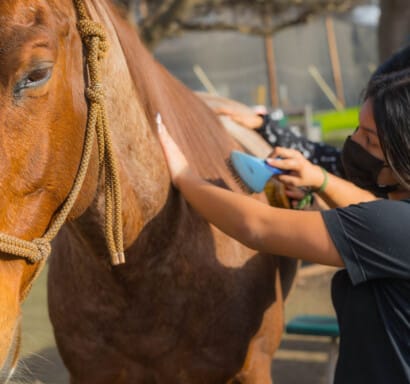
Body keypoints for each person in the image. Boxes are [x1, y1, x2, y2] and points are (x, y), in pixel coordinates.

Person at [156, 46, 410, 383]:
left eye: (370, 140)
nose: (354, 143)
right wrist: (318, 179)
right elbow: (370, 212)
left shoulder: (391, 227)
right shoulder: (393, 221)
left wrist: (184, 176)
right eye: (358, 130)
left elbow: (255, 226)